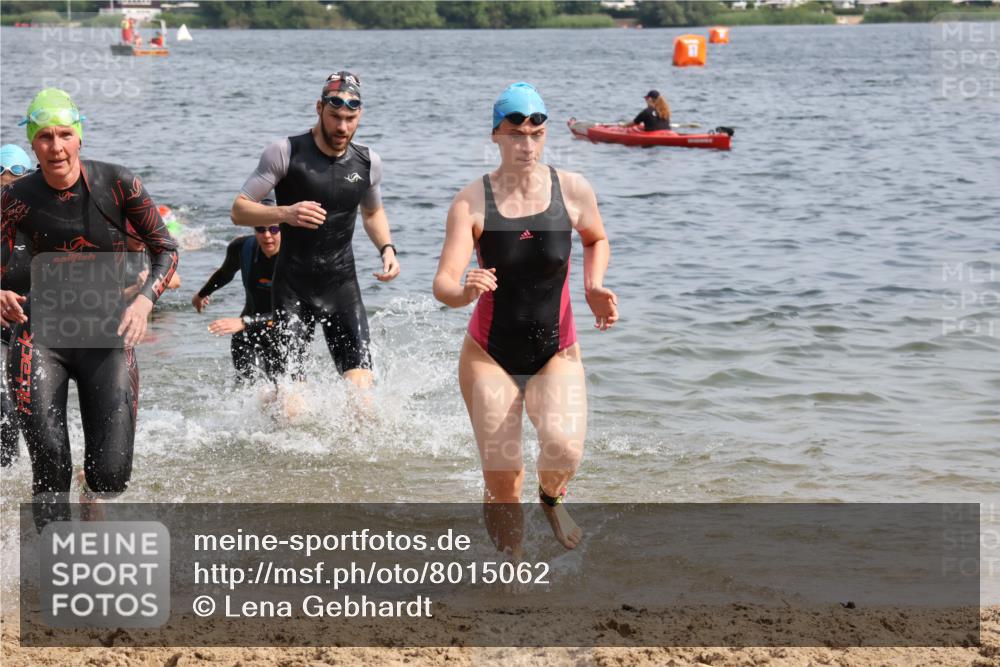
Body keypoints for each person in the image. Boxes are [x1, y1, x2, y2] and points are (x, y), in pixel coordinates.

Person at [432, 82, 619, 556]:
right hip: (488, 355)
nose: (527, 144)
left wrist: (594, 287)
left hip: (557, 351)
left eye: (536, 132)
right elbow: (444, 285)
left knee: (564, 450)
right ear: (495, 135)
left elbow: (596, 239)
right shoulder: (472, 202)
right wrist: (464, 288)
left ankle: (552, 499)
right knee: (503, 479)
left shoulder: (572, 189)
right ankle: (512, 566)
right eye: (515, 133)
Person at [0, 89, 179, 529]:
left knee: (111, 475)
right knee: (50, 466)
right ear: (32, 141)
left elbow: (166, 249)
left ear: (80, 137)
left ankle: (90, 488)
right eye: (44, 136)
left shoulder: (118, 184)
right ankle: (54, 570)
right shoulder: (15, 198)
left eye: (64, 134)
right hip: (40, 338)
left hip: (108, 336)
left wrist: (143, 300)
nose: (55, 146)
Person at [231, 71, 400, 392]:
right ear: (319, 108)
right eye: (335, 116)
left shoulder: (367, 162)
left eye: (350, 118)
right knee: (291, 407)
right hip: (293, 289)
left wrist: (387, 248)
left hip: (341, 287)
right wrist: (285, 213)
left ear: (359, 115)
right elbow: (239, 210)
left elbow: (373, 211)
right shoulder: (284, 153)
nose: (342, 127)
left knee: (362, 398)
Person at [193, 199, 281, 385]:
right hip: (248, 337)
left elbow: (291, 313)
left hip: (283, 337)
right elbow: (226, 273)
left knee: (284, 399)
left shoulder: (296, 257)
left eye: (274, 229)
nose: (267, 236)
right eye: (260, 229)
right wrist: (202, 294)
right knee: (254, 390)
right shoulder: (242, 248)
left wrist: (243, 322)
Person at [0, 144, 33, 467]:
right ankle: (6, 478)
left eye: (14, 181)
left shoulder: (42, 222)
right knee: (4, 406)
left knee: (35, 407)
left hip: (35, 330)